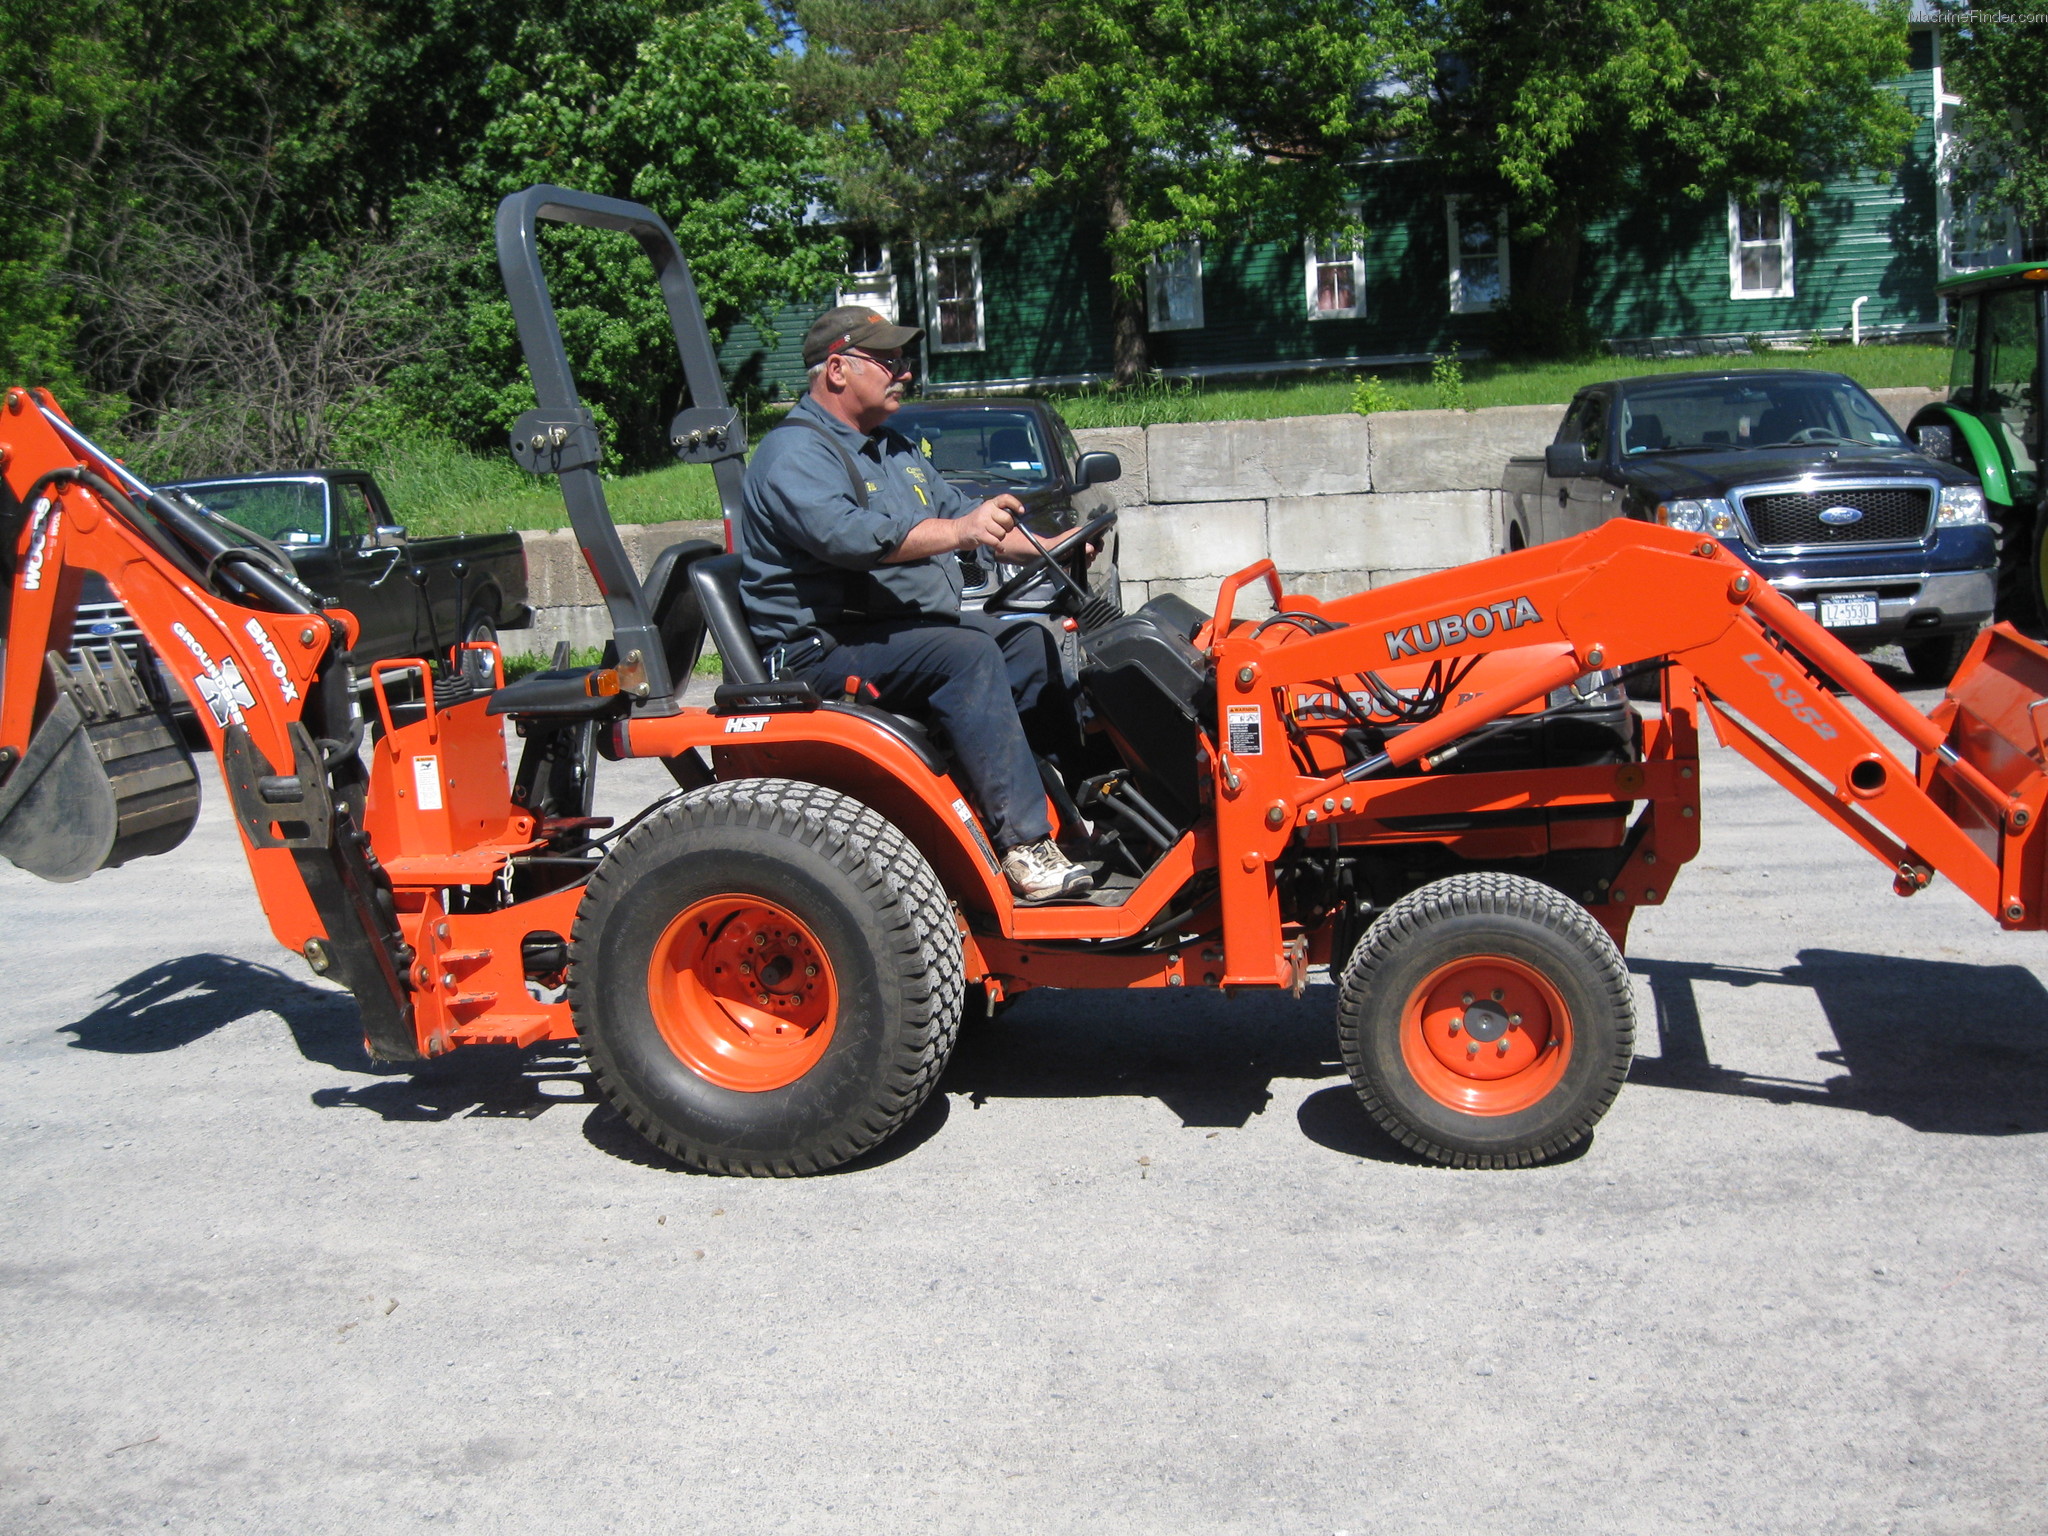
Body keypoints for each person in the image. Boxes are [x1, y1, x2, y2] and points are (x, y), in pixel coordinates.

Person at [736, 305, 1095, 901]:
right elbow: (849, 539)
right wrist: (962, 533)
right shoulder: (794, 455)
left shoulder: (892, 447)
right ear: (837, 370)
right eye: (888, 360)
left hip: (892, 633)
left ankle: (1075, 810)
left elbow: (964, 516)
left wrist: (1055, 546)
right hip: (822, 651)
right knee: (967, 654)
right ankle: (1024, 847)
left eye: (905, 360)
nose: (904, 372)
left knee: (1032, 642)